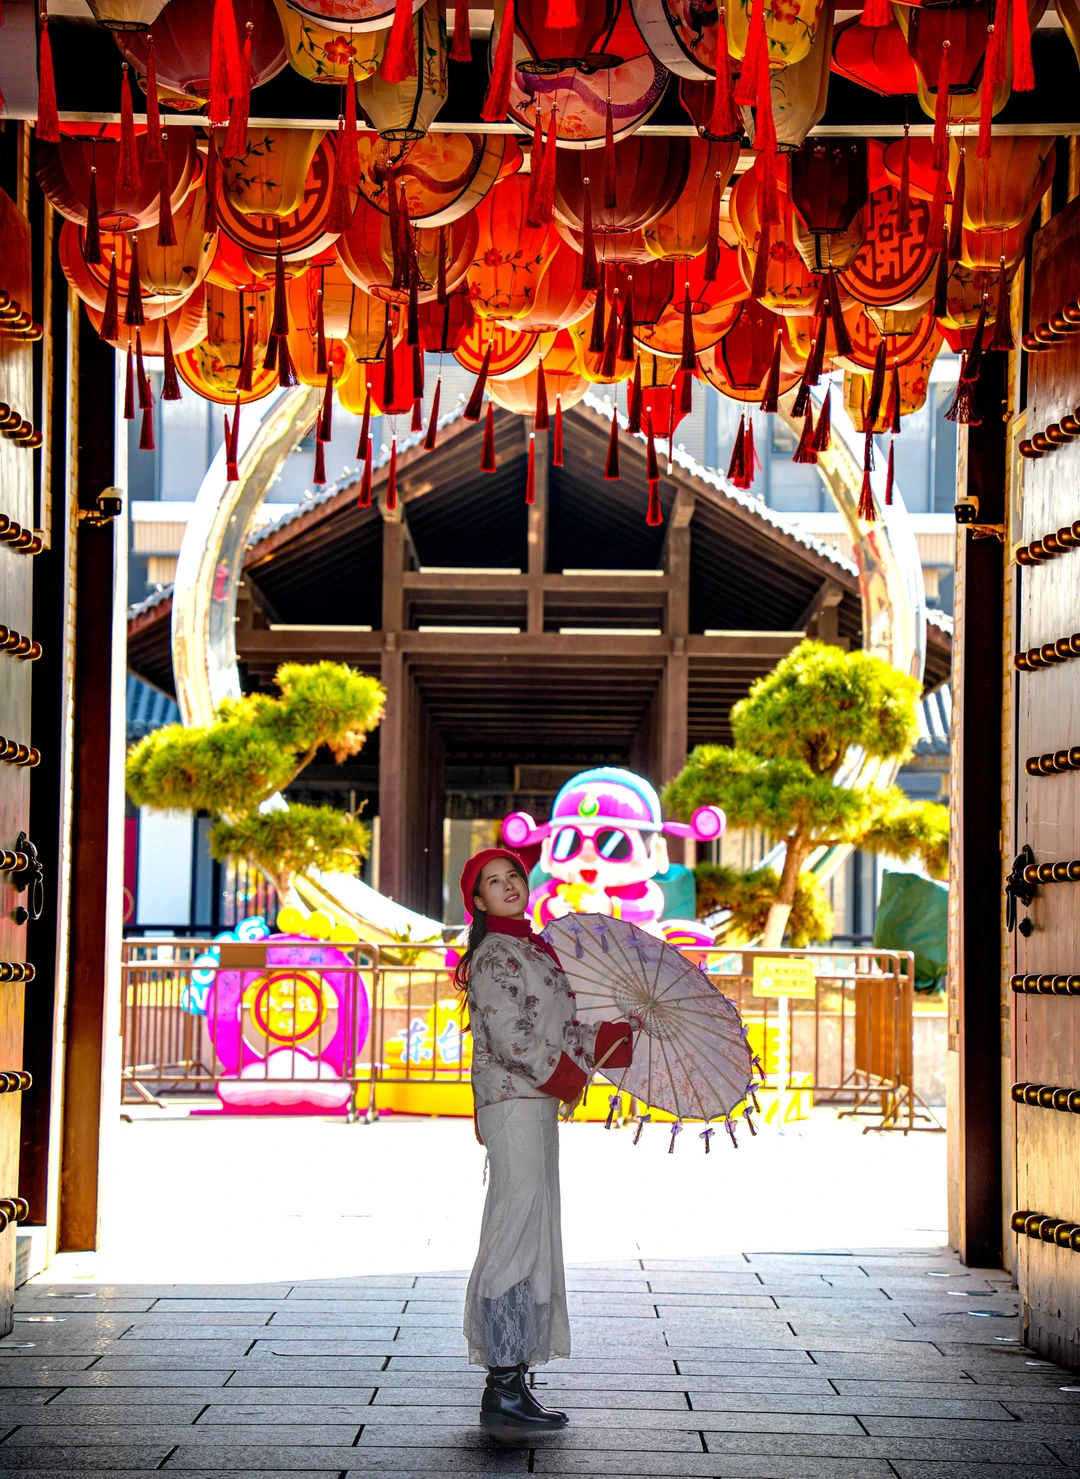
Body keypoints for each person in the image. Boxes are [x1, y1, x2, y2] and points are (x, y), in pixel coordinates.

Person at [454, 847, 634, 1436]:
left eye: (514, 876)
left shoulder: (532, 948)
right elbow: (513, 1037)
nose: (509, 885)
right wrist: (567, 1074)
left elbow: (553, 1029)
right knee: (515, 1229)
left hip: (533, 1104)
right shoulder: (494, 955)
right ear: (477, 900)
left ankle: (513, 1381)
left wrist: (613, 1036)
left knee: (531, 1230)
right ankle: (502, 1388)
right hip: (514, 1104)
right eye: (494, 881)